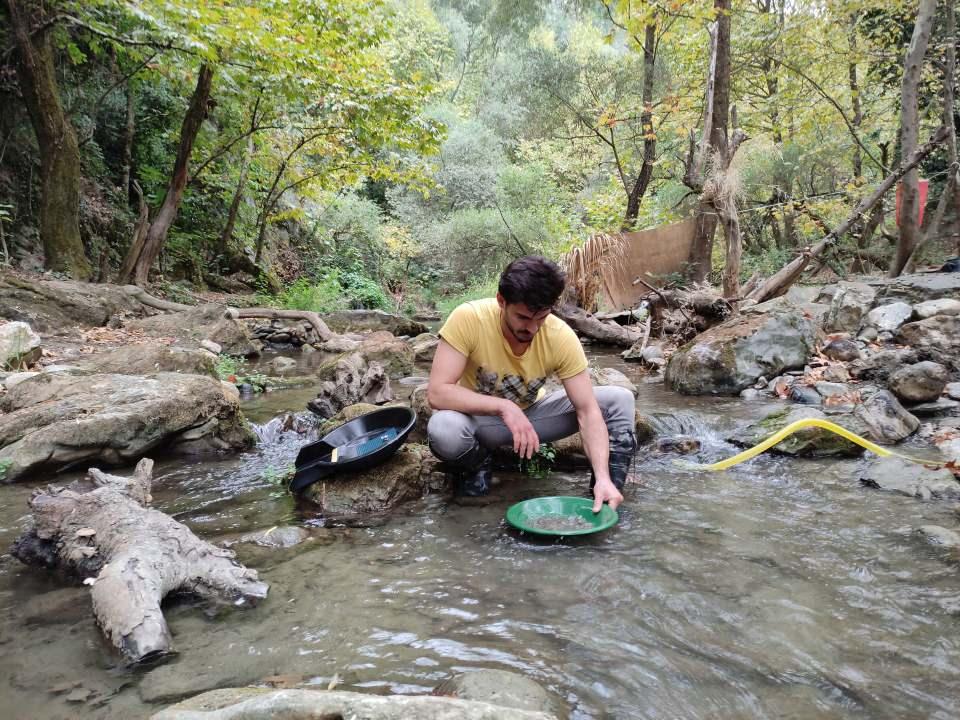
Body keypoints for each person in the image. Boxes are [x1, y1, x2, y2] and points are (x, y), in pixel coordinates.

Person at [426, 255, 637, 511]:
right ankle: (478, 464)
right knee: (442, 428)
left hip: (535, 419)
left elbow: (588, 411)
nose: (533, 328)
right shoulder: (469, 318)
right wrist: (505, 406)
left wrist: (602, 476)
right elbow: (437, 393)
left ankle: (604, 493)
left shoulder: (560, 336)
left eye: (542, 318)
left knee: (619, 399)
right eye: (524, 318)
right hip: (478, 422)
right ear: (501, 301)